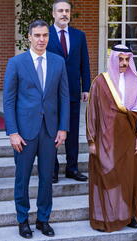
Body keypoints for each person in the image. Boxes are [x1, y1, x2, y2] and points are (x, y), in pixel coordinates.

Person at [3, 20, 70, 239]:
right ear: (29, 37)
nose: (41, 40)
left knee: (47, 178)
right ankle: (23, 220)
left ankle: (43, 219)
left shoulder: (58, 62)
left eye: (45, 35)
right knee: (22, 178)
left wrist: (63, 128)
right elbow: (8, 100)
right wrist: (12, 132)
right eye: (37, 36)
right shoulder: (16, 63)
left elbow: (64, 97)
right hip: (24, 132)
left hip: (50, 131)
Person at [86, 44, 137, 232]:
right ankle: (106, 216)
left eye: (127, 59)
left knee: (127, 176)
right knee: (107, 175)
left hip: (128, 137)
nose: (124, 63)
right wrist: (91, 140)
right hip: (105, 137)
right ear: (113, 59)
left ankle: (129, 215)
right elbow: (91, 112)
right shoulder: (100, 82)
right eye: (120, 59)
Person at [47, 0, 90, 183]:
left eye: (67, 11)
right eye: (60, 11)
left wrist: (86, 87)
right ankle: (52, 170)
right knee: (51, 131)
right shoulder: (44, 34)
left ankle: (72, 168)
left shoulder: (79, 35)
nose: (64, 14)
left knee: (72, 131)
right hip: (50, 92)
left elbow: (84, 63)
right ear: (53, 14)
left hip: (72, 91)